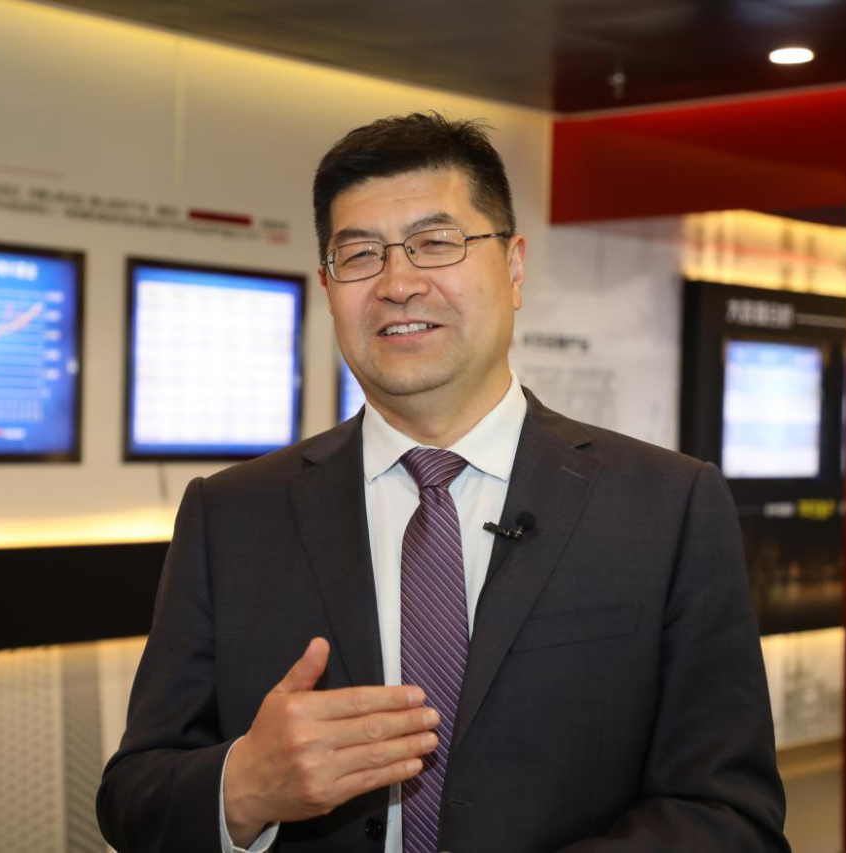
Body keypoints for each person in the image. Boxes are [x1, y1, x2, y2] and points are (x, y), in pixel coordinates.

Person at [96, 113, 789, 853]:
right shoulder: (231, 515)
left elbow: (729, 814)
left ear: (514, 267)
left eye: (436, 243)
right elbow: (133, 796)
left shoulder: (666, 506)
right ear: (328, 287)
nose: (398, 284)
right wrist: (244, 787)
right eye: (359, 254)